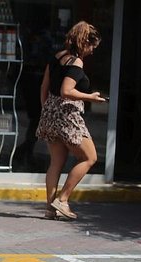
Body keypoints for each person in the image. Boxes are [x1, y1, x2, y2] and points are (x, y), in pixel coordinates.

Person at [36, 21, 104, 220]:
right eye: (92, 46)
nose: (92, 51)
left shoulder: (56, 57)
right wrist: (91, 97)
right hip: (68, 115)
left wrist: (46, 109)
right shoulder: (76, 62)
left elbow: (44, 87)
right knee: (90, 157)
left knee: (56, 162)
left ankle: (50, 209)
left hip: (50, 112)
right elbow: (67, 91)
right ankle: (63, 200)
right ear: (84, 42)